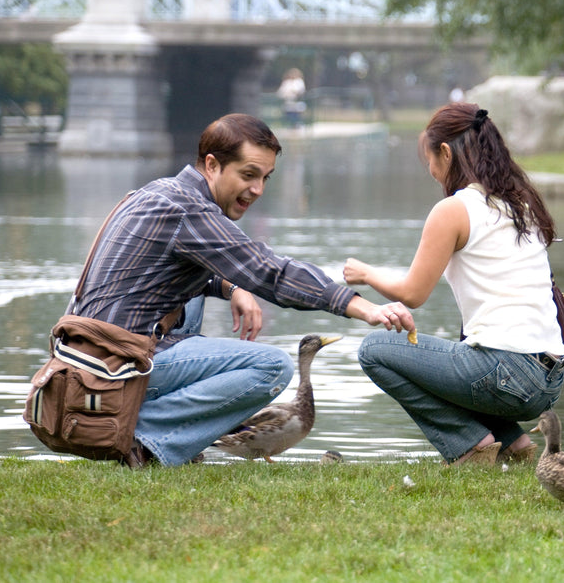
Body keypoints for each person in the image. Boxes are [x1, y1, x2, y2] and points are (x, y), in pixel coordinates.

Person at [67, 113, 414, 467]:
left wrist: (233, 288)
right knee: (272, 367)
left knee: (199, 296)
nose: (258, 189)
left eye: (265, 178)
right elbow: (269, 272)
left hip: (91, 358)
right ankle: (143, 441)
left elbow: (166, 273)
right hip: (110, 368)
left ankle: (155, 431)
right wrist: (362, 307)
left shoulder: (160, 192)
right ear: (213, 165)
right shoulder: (187, 208)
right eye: (248, 175)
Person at [343, 103, 564, 466]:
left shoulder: (454, 210)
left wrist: (366, 274)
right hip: (549, 380)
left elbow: (413, 294)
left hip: (506, 374)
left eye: (429, 160)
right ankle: (514, 444)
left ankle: (470, 446)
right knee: (456, 356)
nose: (431, 171)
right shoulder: (521, 204)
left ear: (445, 153)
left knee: (375, 350)